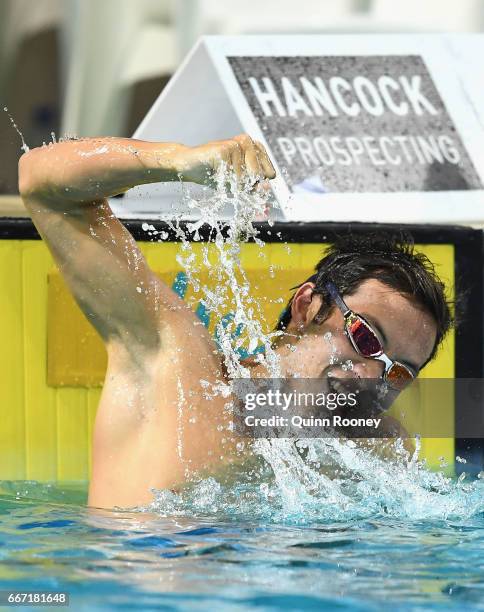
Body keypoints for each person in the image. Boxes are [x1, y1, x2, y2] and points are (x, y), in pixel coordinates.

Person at [18, 134, 452, 509]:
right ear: (306, 308)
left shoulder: (380, 454)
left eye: (397, 372)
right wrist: (176, 160)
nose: (371, 376)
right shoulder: (175, 369)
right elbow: (43, 185)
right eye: (365, 336)